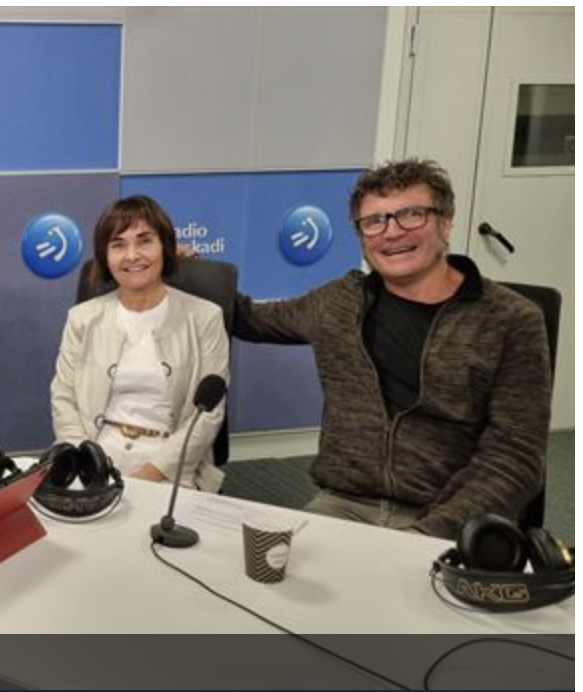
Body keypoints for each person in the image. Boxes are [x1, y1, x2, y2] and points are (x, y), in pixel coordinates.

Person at [234, 158, 551, 539]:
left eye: (411, 215)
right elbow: (247, 317)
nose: (392, 232)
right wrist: (172, 267)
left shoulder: (511, 319)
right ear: (362, 234)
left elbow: (516, 457)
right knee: (266, 582)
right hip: (343, 504)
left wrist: (427, 535)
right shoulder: (339, 302)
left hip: (449, 516)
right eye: (375, 221)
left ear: (446, 222)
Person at [50, 195, 229, 490]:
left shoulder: (205, 318)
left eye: (145, 241)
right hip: (94, 454)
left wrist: (148, 476)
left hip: (169, 463)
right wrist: (87, 462)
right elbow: (63, 398)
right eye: (118, 245)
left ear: (165, 248)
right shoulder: (82, 318)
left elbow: (207, 417)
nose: (132, 255)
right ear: (106, 256)